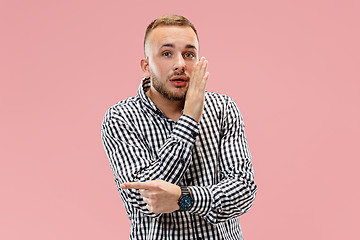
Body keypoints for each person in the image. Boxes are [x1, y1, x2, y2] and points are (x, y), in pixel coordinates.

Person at [101, 14, 257, 240]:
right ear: (146, 66)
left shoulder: (223, 108)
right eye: (166, 54)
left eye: (189, 54)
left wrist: (184, 197)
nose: (180, 64)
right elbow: (144, 201)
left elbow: (243, 191)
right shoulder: (121, 118)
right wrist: (190, 119)